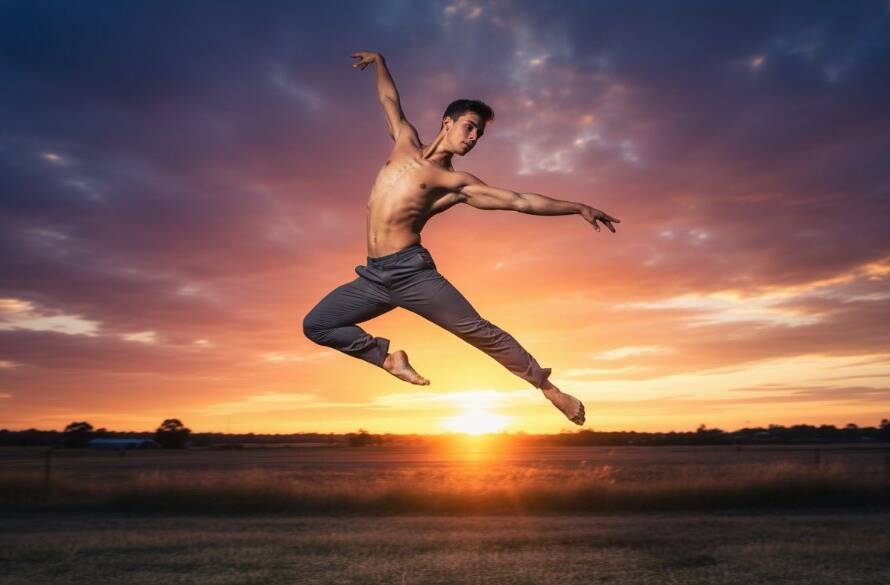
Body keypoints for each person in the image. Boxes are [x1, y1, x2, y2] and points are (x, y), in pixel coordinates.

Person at [302, 51, 620, 426]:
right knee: (317, 325)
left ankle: (550, 389)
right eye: (469, 127)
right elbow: (389, 99)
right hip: (373, 276)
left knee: (478, 331)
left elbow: (519, 201)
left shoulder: (456, 183)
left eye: (479, 134)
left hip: (412, 274)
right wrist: (381, 61)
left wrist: (576, 206)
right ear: (447, 122)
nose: (473, 138)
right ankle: (388, 359)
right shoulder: (403, 141)